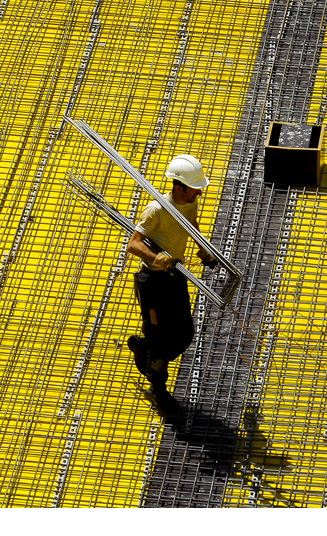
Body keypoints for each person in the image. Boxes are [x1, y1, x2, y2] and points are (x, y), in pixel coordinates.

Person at [126, 154, 217, 417]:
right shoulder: (156, 209)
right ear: (179, 187)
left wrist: (203, 248)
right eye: (195, 188)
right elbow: (133, 244)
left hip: (174, 276)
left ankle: (145, 349)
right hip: (153, 283)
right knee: (161, 340)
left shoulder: (189, 202)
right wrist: (157, 258)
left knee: (184, 334)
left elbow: (191, 223)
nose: (199, 192)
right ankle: (158, 389)